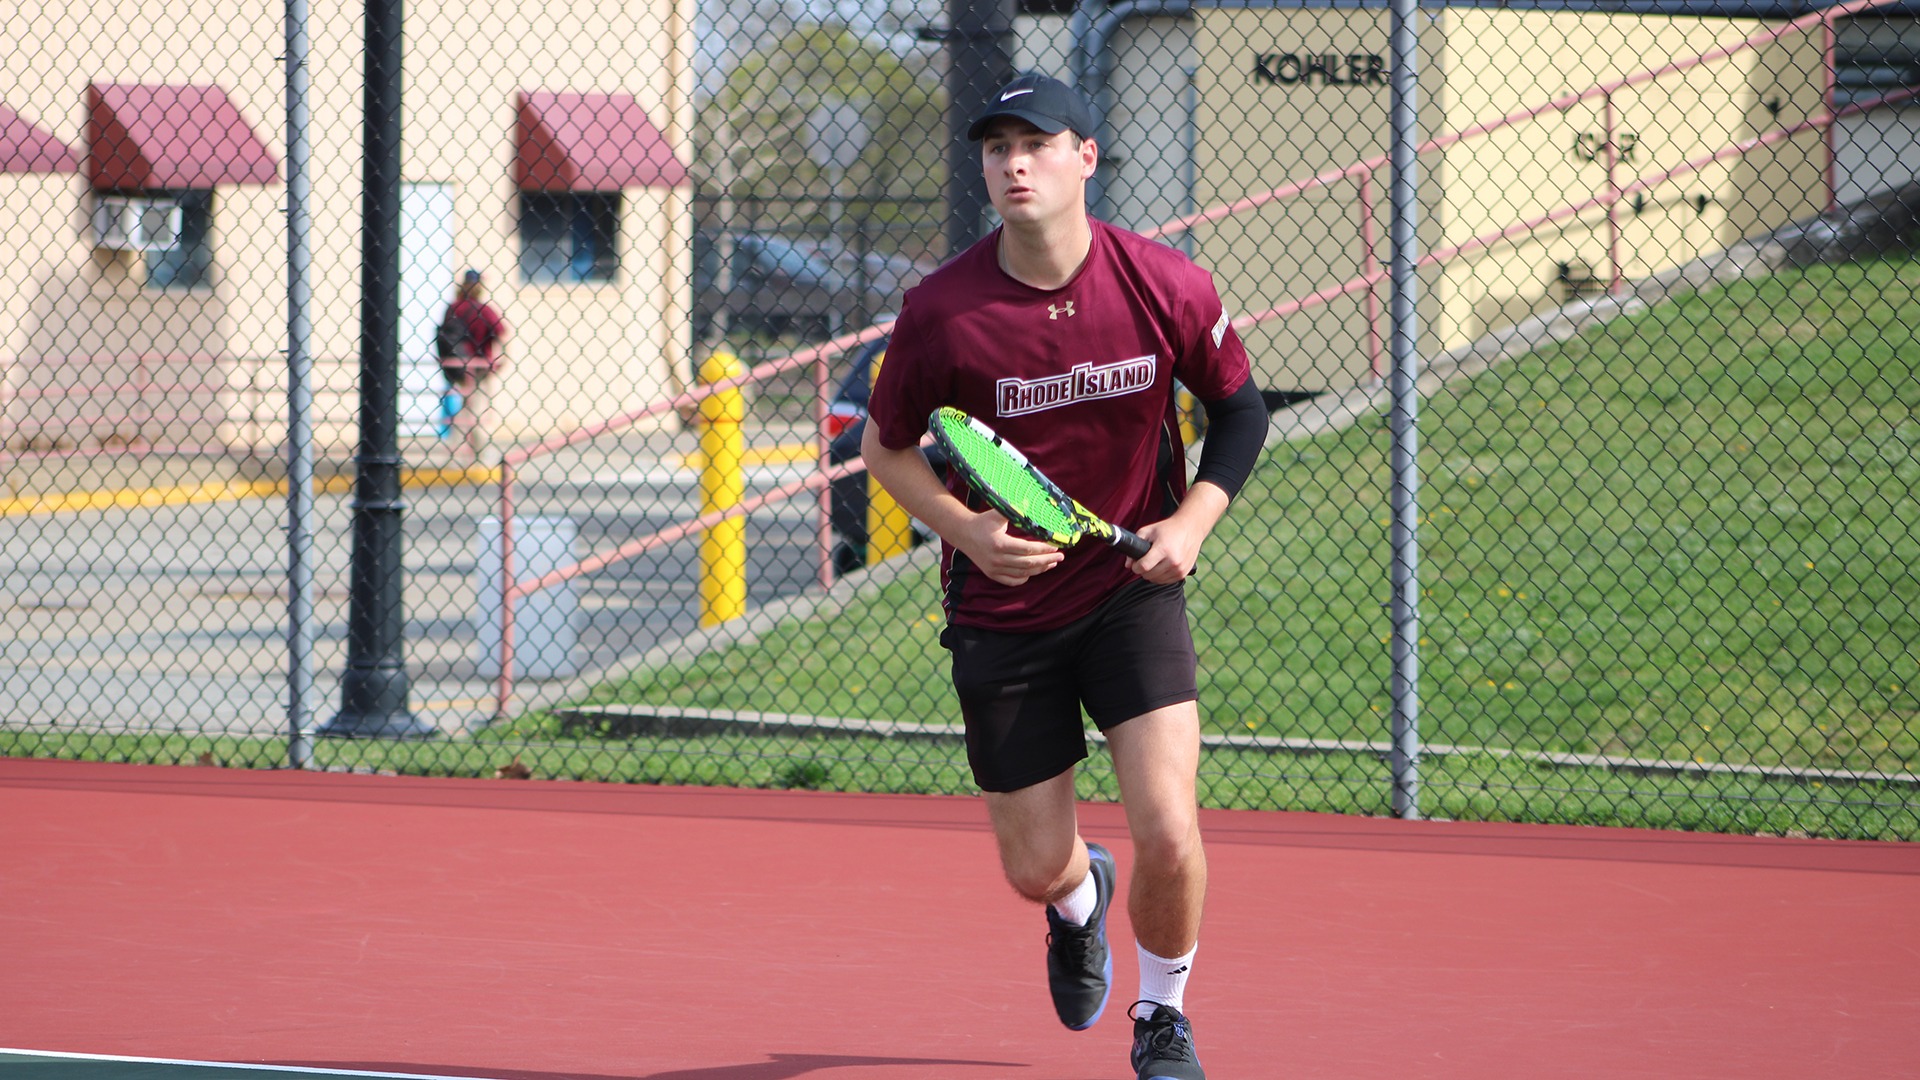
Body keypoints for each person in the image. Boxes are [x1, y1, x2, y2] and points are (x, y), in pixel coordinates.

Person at [860, 73, 1268, 1080]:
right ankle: (1078, 897)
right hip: (1002, 611)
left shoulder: (1166, 285)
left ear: (1086, 157)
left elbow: (1242, 412)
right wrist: (967, 529)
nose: (1012, 163)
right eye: (996, 148)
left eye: (1035, 143)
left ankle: (1162, 1016)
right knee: (1031, 867)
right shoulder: (943, 312)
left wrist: (1193, 522)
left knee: (1171, 831)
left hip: (1132, 599)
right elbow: (888, 447)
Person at [437, 268, 508, 462]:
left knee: (466, 407)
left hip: (457, 365)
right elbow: (501, 331)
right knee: (477, 408)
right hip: (478, 365)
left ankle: (457, 449)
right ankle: (479, 452)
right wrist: (502, 358)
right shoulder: (483, 310)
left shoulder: (453, 308)